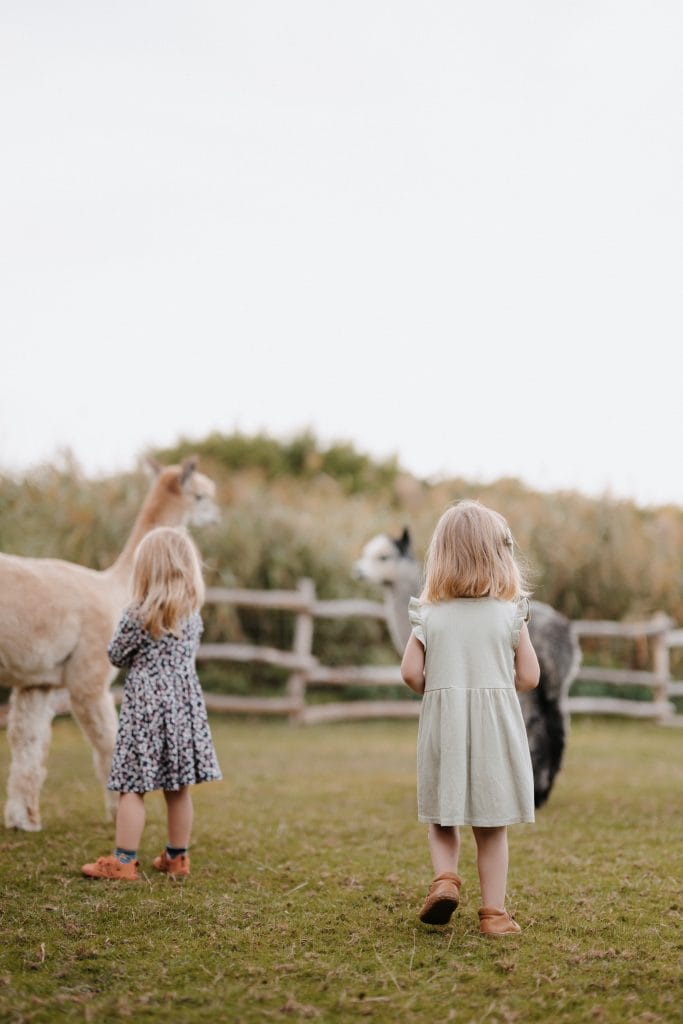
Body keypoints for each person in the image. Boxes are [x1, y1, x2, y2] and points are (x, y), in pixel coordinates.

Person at [400, 500, 540, 936]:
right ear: (500, 556)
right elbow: (530, 676)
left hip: (445, 725)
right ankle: (494, 915)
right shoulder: (510, 612)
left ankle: (444, 880)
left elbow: (409, 672)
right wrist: (494, 687)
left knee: (443, 817)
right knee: (491, 827)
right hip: (494, 730)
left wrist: (442, 691)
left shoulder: (430, 614)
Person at [82, 526, 222, 881]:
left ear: (145, 571)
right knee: (178, 787)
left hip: (145, 707)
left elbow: (115, 654)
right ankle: (177, 858)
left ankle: (123, 862)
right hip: (183, 705)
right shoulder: (192, 615)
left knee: (133, 787)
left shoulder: (137, 614)